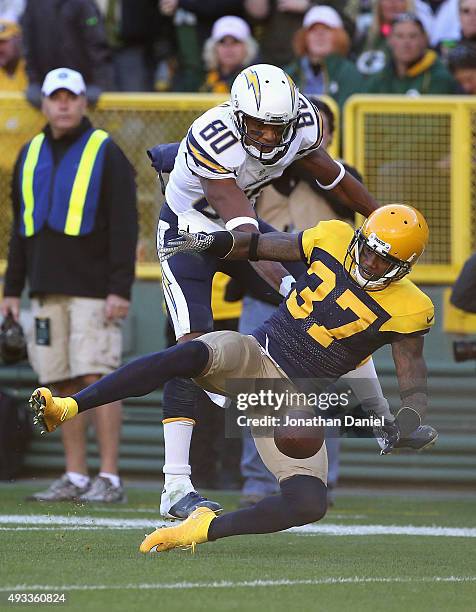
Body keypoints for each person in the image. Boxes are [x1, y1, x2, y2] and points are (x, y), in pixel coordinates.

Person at [30, 204, 438, 552]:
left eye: (383, 260)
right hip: (255, 353)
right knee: (191, 352)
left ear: (405, 267)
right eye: (368, 250)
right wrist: (211, 243)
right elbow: (260, 245)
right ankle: (68, 406)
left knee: (309, 503)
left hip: (287, 400)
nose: (369, 262)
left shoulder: (409, 308)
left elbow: (413, 377)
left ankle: (200, 529)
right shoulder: (333, 236)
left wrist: (410, 418)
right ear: (360, 237)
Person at [144, 63, 381, 521]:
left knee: (325, 295)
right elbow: (240, 225)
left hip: (244, 227)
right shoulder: (212, 134)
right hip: (190, 231)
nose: (270, 138)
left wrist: (380, 216)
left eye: (278, 128)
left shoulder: (303, 122)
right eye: (259, 126)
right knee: (192, 350)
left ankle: (379, 418)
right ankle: (175, 485)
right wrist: (276, 267)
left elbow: (332, 175)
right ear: (237, 116)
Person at [1, 67, 138, 502]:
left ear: (83, 102)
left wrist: (121, 287)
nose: (63, 104)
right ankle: (76, 475)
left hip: (94, 289)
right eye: (55, 97)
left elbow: (125, 225)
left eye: (71, 97)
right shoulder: (29, 151)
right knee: (58, 383)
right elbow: (20, 232)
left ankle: (110, 477)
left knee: (96, 378)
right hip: (44, 288)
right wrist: (10, 289)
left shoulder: (107, 151)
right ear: (44, 103)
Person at [21, 0, 114, 108]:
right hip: (47, 86)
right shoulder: (34, 4)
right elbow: (28, 45)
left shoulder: (84, 4)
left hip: (84, 86)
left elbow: (97, 45)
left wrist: (99, 84)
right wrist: (34, 81)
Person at [285, 5, 362, 109]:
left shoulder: (351, 73)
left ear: (339, 36)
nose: (319, 34)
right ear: (304, 37)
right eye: (313, 29)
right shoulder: (288, 74)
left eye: (327, 29)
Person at [364, 13, 458, 94]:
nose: (406, 43)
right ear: (390, 40)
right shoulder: (380, 78)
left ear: (424, 40)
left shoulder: (440, 78)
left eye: (412, 36)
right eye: (400, 36)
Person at [201, 15, 259, 93]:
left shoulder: (257, 80)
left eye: (235, 41)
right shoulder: (200, 79)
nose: (228, 47)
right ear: (213, 47)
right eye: (222, 41)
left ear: (247, 47)